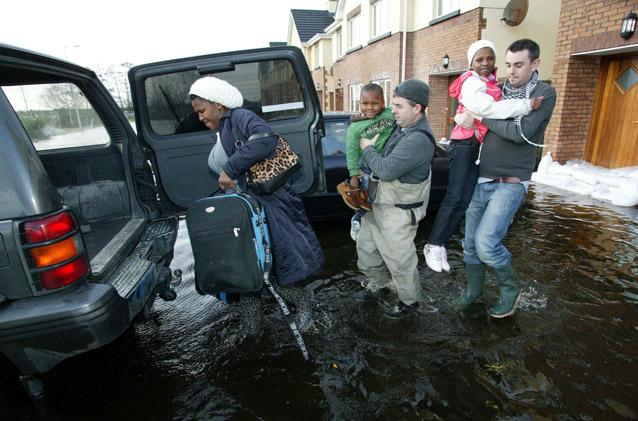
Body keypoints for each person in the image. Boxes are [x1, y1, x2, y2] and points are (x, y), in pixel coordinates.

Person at [189, 76, 325, 289]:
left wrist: (230, 169)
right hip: (255, 202)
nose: (200, 117)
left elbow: (264, 138)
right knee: (264, 260)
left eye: (201, 111)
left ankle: (303, 310)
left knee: (287, 256)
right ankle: (269, 302)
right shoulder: (224, 128)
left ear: (218, 104)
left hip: (273, 199)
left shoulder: (240, 116)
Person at [455, 39, 556, 318]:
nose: (510, 71)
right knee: (470, 244)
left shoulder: (543, 93)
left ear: (535, 64)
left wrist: (482, 116)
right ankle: (474, 291)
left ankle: (510, 292)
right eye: (508, 65)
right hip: (482, 179)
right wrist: (468, 115)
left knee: (487, 243)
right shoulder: (496, 91)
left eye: (519, 65)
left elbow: (519, 132)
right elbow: (465, 113)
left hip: (512, 182)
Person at [423, 39, 543, 273]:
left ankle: (440, 244)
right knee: (455, 196)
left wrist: (464, 115)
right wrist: (527, 105)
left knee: (464, 200)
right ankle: (434, 244)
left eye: (490, 58)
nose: (485, 63)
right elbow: (487, 110)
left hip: (475, 146)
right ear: (470, 63)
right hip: (464, 145)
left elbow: (480, 112)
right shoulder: (471, 81)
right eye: (479, 59)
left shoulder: (490, 82)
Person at [356, 79, 435, 317]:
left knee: (401, 263)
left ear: (417, 108)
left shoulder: (418, 139)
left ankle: (410, 304)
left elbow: (386, 170)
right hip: (377, 206)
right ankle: (379, 286)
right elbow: (375, 120)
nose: (393, 111)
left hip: (399, 212)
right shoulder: (402, 127)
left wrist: (368, 148)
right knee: (367, 251)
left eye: (399, 106)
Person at [337, 83, 396, 241]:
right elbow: (351, 153)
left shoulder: (390, 114)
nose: (370, 107)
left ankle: (381, 230)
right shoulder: (355, 128)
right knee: (364, 199)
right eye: (365, 103)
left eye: (375, 103)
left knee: (380, 200)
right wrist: (354, 177)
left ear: (383, 102)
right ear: (359, 104)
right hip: (367, 166)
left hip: (385, 164)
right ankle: (356, 220)